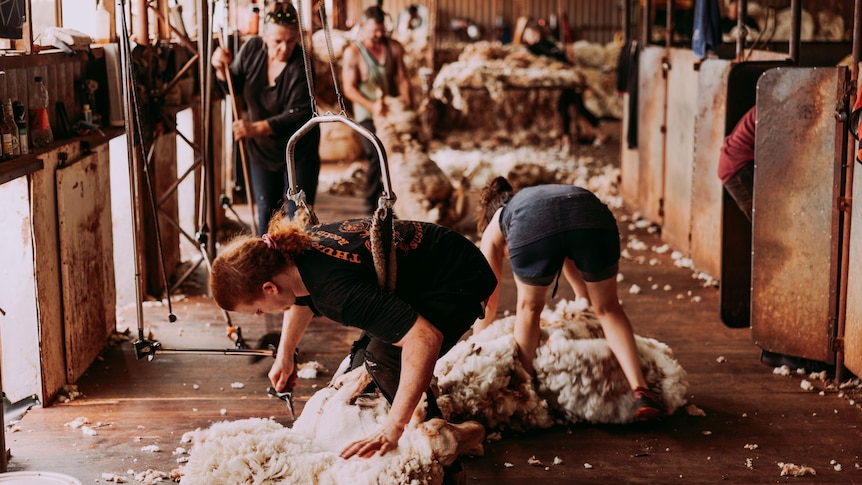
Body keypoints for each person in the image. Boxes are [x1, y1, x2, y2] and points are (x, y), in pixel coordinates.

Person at [210, 215, 497, 458]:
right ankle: (429, 421)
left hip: (458, 280)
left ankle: (444, 440)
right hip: (432, 265)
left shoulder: (335, 294)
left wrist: (392, 429)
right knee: (362, 367)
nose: (263, 315)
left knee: (386, 364)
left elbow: (424, 338)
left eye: (259, 310)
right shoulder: (291, 254)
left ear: (269, 288)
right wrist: (285, 356)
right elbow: (299, 298)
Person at [473, 177, 664, 421]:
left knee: (529, 308)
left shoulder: (499, 220)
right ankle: (641, 390)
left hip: (533, 224)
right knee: (608, 308)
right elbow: (583, 293)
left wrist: (475, 347)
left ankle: (524, 392)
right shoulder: (545, 197)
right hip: (591, 214)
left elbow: (486, 300)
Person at [211, 1, 320, 234]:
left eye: (291, 41)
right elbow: (234, 85)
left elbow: (299, 114)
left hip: (298, 153)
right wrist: (221, 69)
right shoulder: (252, 50)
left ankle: (298, 269)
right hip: (262, 151)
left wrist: (254, 128)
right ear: (264, 37)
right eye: (277, 42)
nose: (284, 48)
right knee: (266, 215)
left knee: (298, 221)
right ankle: (267, 267)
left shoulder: (302, 64)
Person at [342, 6, 414, 214]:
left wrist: (409, 107)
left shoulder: (394, 48)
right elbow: (349, 88)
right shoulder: (353, 53)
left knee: (398, 155)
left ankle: (394, 203)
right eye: (374, 31)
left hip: (391, 112)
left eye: (382, 30)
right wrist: (372, 105)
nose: (379, 35)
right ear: (363, 27)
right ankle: (369, 206)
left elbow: (402, 78)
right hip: (368, 113)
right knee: (376, 154)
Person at [521, 22, 607, 149]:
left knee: (578, 107)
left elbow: (550, 55)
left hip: (569, 81)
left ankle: (599, 135)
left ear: (535, 34)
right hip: (568, 80)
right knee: (564, 108)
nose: (526, 38)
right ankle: (566, 140)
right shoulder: (548, 44)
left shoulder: (542, 45)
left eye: (527, 35)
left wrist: (528, 51)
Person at [718, 106, 756, 221]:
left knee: (766, 221)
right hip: (737, 166)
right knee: (767, 222)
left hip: (735, 163)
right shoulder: (772, 109)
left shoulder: (770, 105)